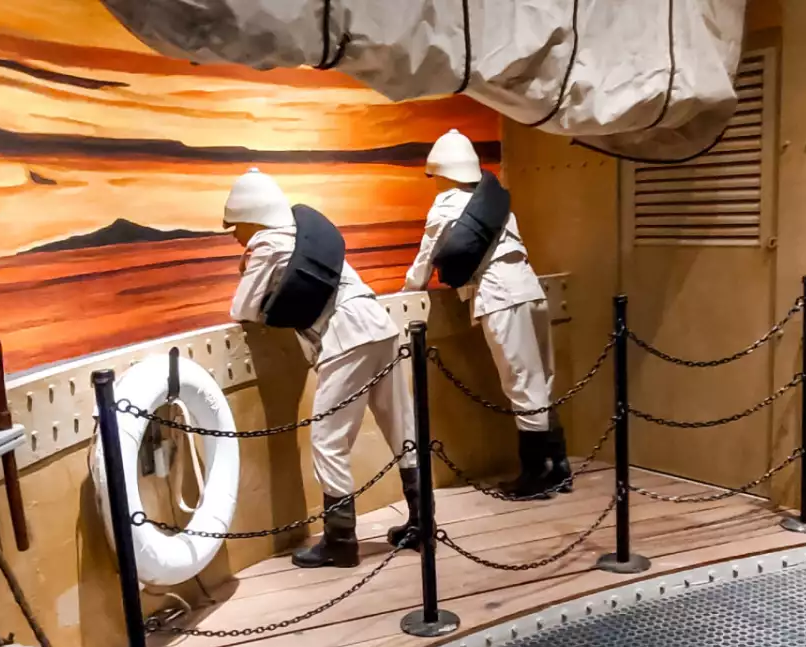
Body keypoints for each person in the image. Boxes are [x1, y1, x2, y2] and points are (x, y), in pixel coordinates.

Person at [224, 168, 421, 568]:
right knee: (401, 425)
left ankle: (341, 540)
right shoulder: (299, 235)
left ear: (251, 217)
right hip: (379, 325)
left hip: (345, 335)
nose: (234, 236)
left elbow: (242, 309)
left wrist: (246, 268)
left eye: (235, 226)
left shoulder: (267, 243)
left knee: (328, 441)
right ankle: (422, 519)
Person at [403, 129, 570, 499]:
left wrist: (409, 289)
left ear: (442, 172)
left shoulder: (446, 205)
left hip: (499, 296)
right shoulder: (493, 203)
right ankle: (558, 466)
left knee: (521, 384)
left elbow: (424, 262)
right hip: (530, 289)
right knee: (542, 381)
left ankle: (536, 475)